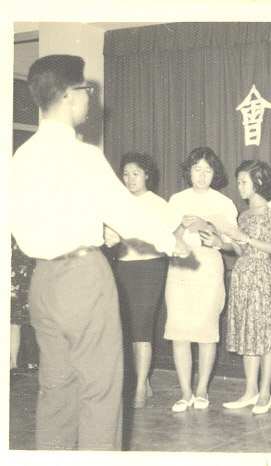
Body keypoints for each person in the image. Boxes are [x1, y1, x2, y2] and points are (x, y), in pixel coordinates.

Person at [10, 54, 188, 450]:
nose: (90, 98)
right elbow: (127, 212)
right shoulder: (83, 155)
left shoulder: (20, 158)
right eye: (87, 91)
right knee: (101, 390)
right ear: (71, 96)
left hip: (42, 281)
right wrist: (170, 240)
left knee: (55, 391)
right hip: (83, 278)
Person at [164, 147, 238, 413]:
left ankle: (202, 388)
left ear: (214, 173)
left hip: (209, 262)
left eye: (208, 170)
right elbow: (166, 239)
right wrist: (183, 226)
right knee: (179, 330)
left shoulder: (224, 203)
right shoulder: (177, 200)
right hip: (181, 262)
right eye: (197, 169)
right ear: (189, 171)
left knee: (207, 330)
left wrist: (218, 239)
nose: (202, 175)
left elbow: (232, 244)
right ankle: (185, 392)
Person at [214, 160, 271, 415]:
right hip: (242, 275)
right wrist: (224, 240)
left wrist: (247, 238)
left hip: (262, 276)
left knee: (265, 336)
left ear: (258, 183)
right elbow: (241, 249)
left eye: (244, 181)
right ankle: (250, 390)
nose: (240, 186)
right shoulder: (242, 216)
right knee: (248, 334)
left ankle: (265, 394)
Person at [104, 153, 169, 409]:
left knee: (142, 327)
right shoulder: (118, 202)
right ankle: (141, 380)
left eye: (136, 174)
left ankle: (141, 386)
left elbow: (163, 241)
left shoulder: (157, 204)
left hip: (149, 268)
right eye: (126, 174)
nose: (130, 179)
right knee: (127, 328)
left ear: (147, 176)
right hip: (123, 267)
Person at [10, 235, 36, 374]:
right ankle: (13, 362)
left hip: (22, 274)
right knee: (15, 322)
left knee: (17, 321)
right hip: (18, 274)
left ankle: (20, 361)